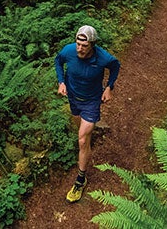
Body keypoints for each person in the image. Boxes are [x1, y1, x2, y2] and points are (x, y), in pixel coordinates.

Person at [55, 25, 120, 203]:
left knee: (82, 139)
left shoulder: (103, 57)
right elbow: (58, 61)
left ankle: (80, 179)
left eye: (84, 46)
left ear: (92, 44)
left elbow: (115, 66)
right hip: (74, 98)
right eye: (78, 44)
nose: (79, 49)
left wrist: (109, 87)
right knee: (82, 135)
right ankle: (86, 141)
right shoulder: (68, 51)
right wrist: (61, 82)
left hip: (92, 101)